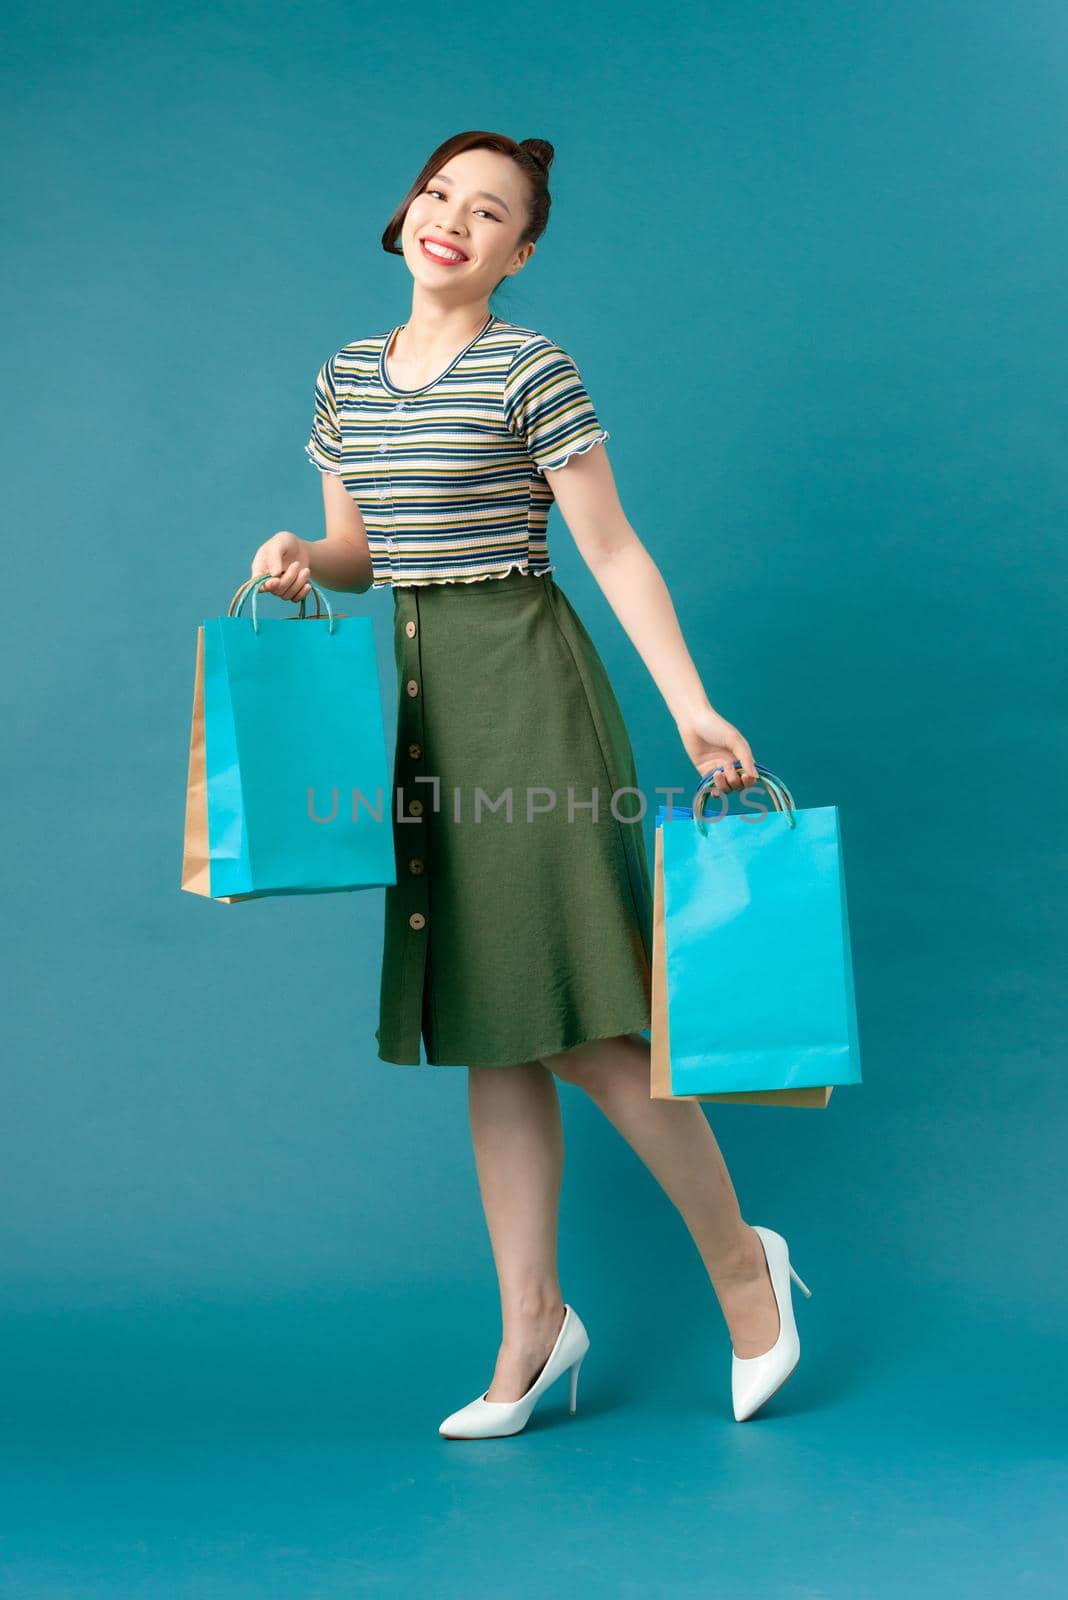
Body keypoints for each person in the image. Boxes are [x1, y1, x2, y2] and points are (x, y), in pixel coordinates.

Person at [250, 131, 811, 1435]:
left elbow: (610, 550)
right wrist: (299, 557)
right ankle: (532, 1330)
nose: (454, 219)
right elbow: (360, 550)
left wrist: (690, 703)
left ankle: (745, 1266)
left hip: (526, 683)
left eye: (489, 210)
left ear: (520, 249)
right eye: (441, 193)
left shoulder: (530, 367)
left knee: (579, 1020)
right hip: (416, 696)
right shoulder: (344, 375)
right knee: (486, 1024)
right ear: (408, 213)